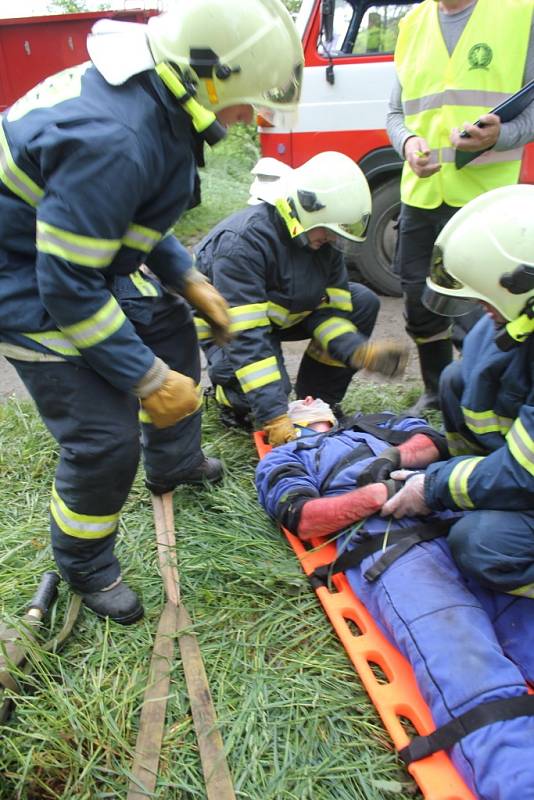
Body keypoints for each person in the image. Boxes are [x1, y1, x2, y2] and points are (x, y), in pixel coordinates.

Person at [0, 0, 304, 624]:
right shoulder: (118, 136)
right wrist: (147, 381)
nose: (251, 114)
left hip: (65, 255)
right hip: (23, 278)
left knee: (167, 323)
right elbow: (66, 283)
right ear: (212, 78)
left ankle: (174, 462)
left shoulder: (155, 91)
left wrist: (184, 274)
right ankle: (86, 565)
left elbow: (120, 212)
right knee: (104, 437)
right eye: (249, 97)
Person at [255, 398, 534, 798]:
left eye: (314, 396)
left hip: (468, 527)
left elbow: (435, 441)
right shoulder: (289, 455)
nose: (309, 396)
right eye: (299, 400)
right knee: (469, 670)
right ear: (287, 422)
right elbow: (304, 516)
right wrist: (376, 494)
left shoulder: (376, 421)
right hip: (396, 552)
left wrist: (391, 458)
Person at [381, 184, 534, 601]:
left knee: (481, 544)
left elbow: (525, 472)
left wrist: (433, 487)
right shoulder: (517, 315)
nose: (484, 310)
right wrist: (456, 477)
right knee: (455, 378)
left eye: (488, 298)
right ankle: (482, 485)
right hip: (523, 470)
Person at [193, 151, 409, 447]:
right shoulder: (242, 244)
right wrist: (274, 416)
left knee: (362, 301)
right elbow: (247, 337)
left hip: (278, 315)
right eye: (329, 230)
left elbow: (331, 313)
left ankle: (318, 404)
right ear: (304, 213)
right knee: (270, 386)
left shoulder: (322, 241)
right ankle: (230, 400)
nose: (333, 239)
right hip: (230, 331)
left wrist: (358, 351)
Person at [386, 0, 534, 415]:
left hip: (484, 197)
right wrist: (407, 144)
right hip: (421, 193)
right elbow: (396, 112)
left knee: (484, 305)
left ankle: (481, 393)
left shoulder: (520, 13)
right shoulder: (412, 23)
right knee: (419, 299)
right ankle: (436, 390)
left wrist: (503, 135)